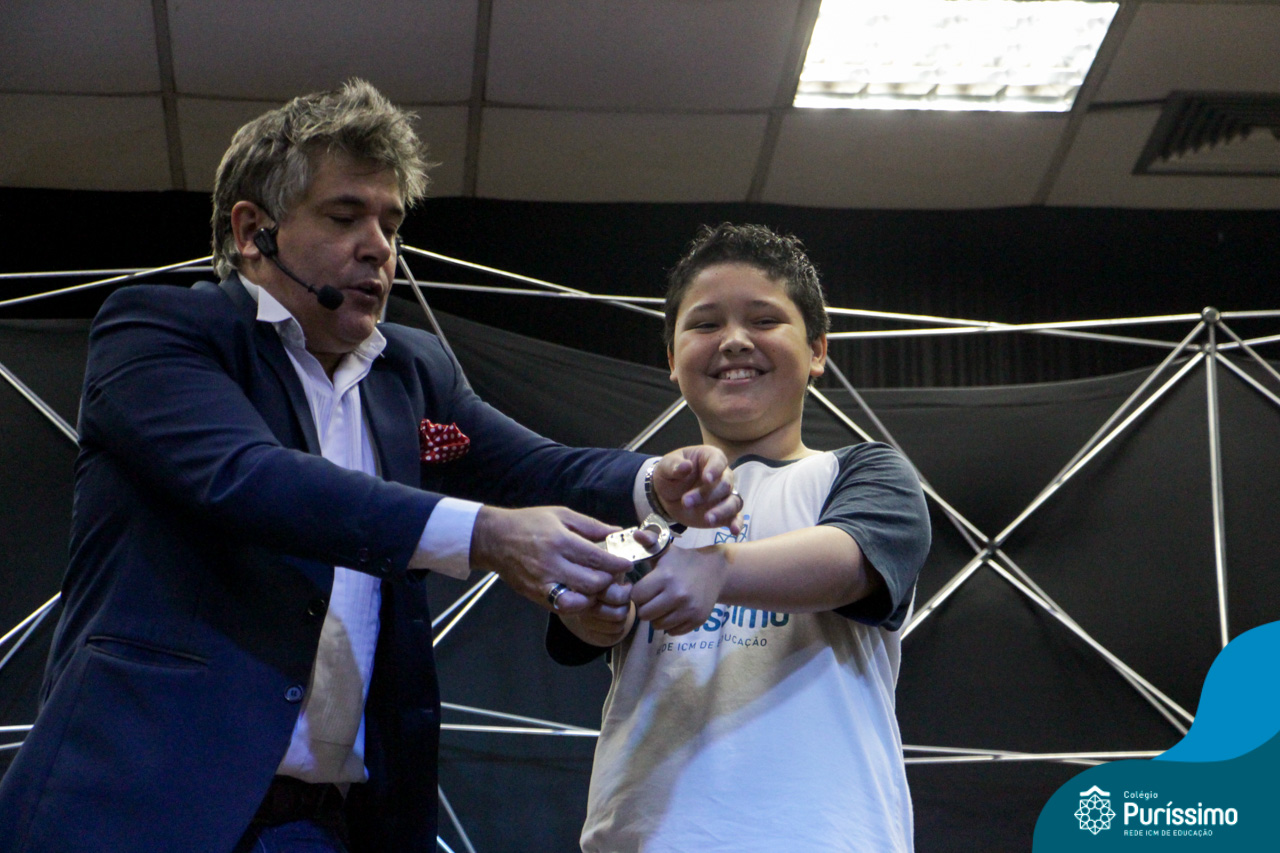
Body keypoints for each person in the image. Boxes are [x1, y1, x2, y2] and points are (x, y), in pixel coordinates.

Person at [0, 80, 743, 853]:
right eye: (345, 215)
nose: (379, 247)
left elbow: (533, 467)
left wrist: (653, 481)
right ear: (253, 231)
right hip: (137, 805)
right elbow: (248, 477)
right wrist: (487, 535)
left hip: (326, 825)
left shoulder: (411, 372)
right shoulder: (159, 330)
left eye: (390, 223)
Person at [549, 224, 932, 852]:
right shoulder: (644, 496)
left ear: (818, 350)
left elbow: (851, 563)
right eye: (705, 324)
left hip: (821, 835)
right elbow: (580, 616)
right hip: (646, 837)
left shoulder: (862, 472)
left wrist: (720, 568)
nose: (732, 341)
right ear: (671, 360)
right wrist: (590, 614)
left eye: (764, 319)